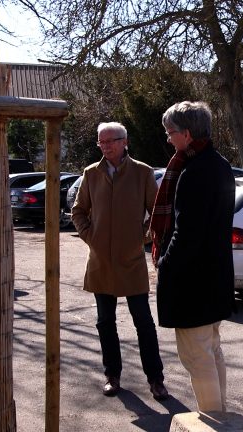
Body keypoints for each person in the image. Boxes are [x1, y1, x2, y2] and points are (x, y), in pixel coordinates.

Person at [71, 122, 169, 400]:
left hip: (131, 260)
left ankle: (156, 379)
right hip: (101, 261)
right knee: (105, 322)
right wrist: (91, 237)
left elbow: (157, 215)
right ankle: (112, 375)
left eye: (110, 141)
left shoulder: (142, 172)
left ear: (124, 141)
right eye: (101, 142)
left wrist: (142, 239)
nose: (105, 146)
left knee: (144, 323)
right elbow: (78, 211)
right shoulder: (91, 173)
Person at [150, 101, 236, 412]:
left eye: (170, 132)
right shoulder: (220, 164)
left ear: (187, 134)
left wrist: (164, 264)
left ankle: (213, 419)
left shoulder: (195, 171)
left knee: (198, 357)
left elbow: (185, 234)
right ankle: (220, 414)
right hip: (213, 279)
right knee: (211, 350)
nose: (168, 139)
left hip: (194, 284)